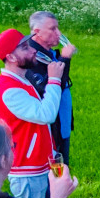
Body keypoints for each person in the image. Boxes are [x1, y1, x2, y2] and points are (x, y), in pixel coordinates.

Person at [0, 28, 65, 198]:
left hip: (40, 160)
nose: (33, 50)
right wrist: (54, 80)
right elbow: (46, 115)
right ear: (11, 57)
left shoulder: (20, 80)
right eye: (24, 47)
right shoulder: (10, 90)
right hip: (26, 167)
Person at [26, 11, 77, 163]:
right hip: (49, 128)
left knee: (62, 166)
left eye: (57, 28)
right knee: (56, 167)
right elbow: (49, 87)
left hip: (61, 123)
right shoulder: (32, 58)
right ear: (37, 32)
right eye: (53, 29)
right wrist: (65, 59)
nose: (59, 33)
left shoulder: (49, 54)